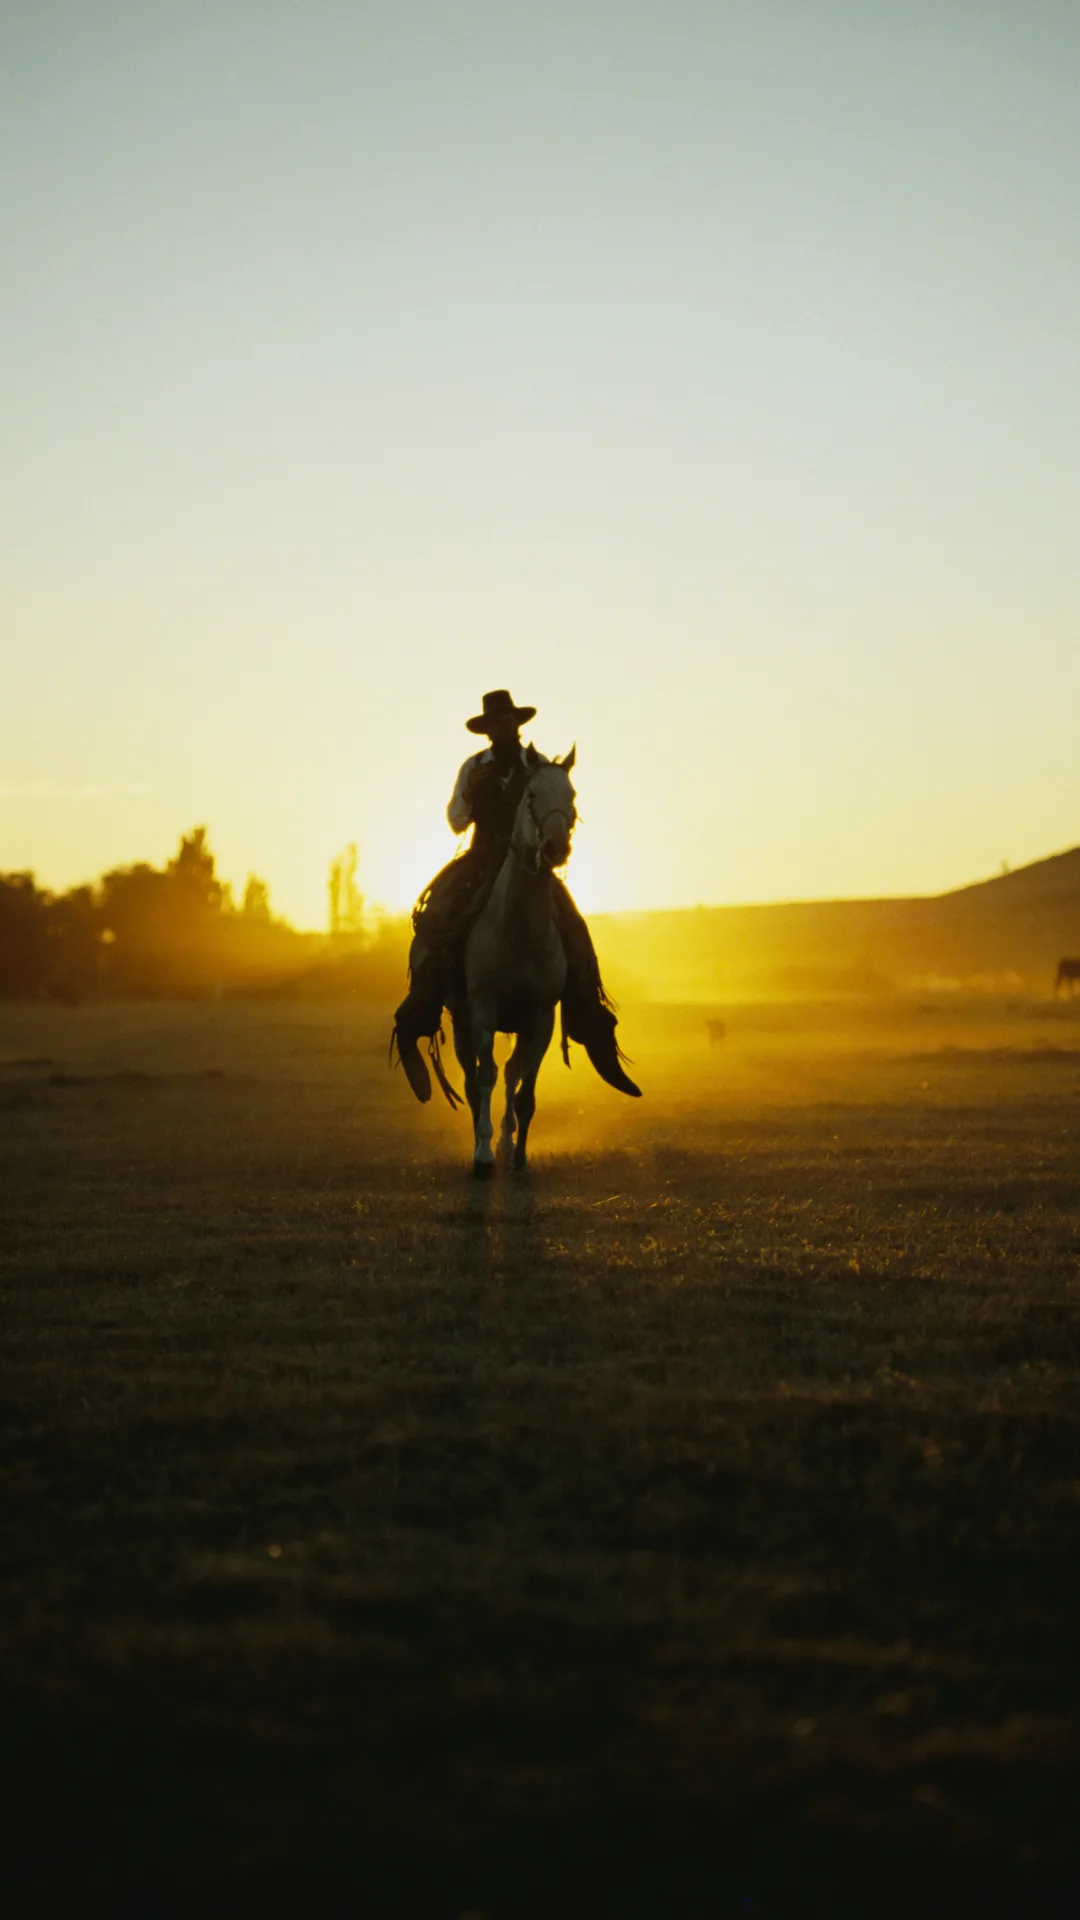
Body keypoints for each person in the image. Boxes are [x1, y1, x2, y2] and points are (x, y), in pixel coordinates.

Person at [392, 688, 639, 1103]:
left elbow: (555, 802)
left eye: (508, 720)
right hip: (480, 861)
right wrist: (472, 796)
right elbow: (456, 820)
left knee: (575, 929)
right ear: (487, 729)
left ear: (517, 724)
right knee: (436, 921)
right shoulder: (473, 767)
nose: (503, 727)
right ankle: (420, 1008)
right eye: (496, 722)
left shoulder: (540, 767)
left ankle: (589, 1015)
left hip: (529, 866)